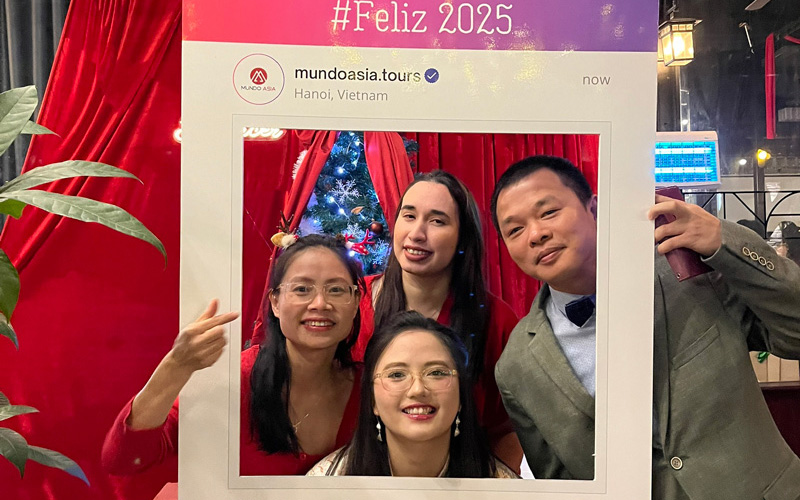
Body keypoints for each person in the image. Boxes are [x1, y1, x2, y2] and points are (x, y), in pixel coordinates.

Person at [489, 155, 800, 499]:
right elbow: (562, 485)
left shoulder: (689, 273)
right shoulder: (516, 367)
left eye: (548, 212)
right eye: (515, 230)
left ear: (594, 209)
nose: (536, 234)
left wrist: (721, 240)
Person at [102, 235, 364, 477]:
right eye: (302, 289)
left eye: (336, 290)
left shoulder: (370, 390)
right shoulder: (232, 380)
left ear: (355, 303)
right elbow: (123, 459)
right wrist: (176, 365)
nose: (320, 304)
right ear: (275, 302)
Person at [352, 170, 522, 471]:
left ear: (462, 237)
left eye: (437, 221)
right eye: (409, 216)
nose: (417, 233)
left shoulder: (496, 319)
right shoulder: (352, 302)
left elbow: (507, 428)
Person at [307, 311, 517, 478]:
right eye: (397, 375)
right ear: (372, 400)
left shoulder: (501, 487)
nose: (418, 390)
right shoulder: (326, 485)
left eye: (436, 373)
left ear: (461, 394)